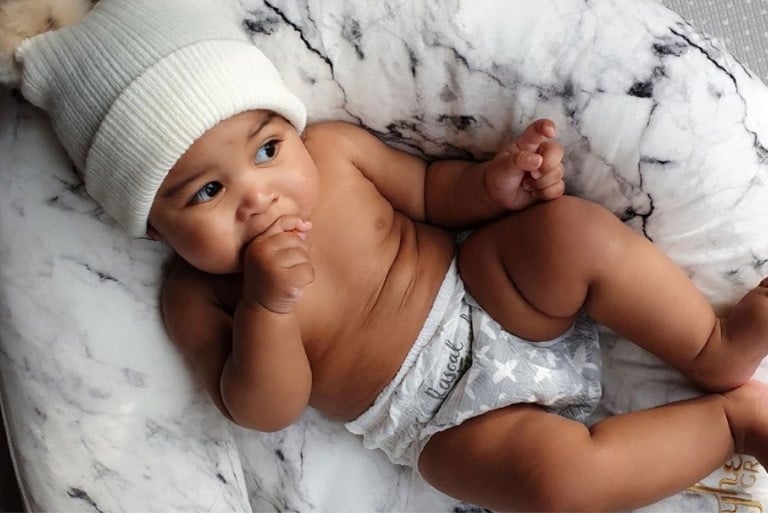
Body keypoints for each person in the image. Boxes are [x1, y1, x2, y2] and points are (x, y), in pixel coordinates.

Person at [13, 0, 768, 511]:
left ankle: (714, 344)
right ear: (154, 227)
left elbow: (435, 193)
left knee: (570, 233)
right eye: (206, 190)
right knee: (555, 484)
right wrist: (267, 309)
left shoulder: (336, 155)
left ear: (291, 128)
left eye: (268, 149)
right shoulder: (199, 298)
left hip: (483, 289)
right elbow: (263, 407)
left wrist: (497, 183)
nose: (257, 194)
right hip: (439, 421)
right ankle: (732, 426)